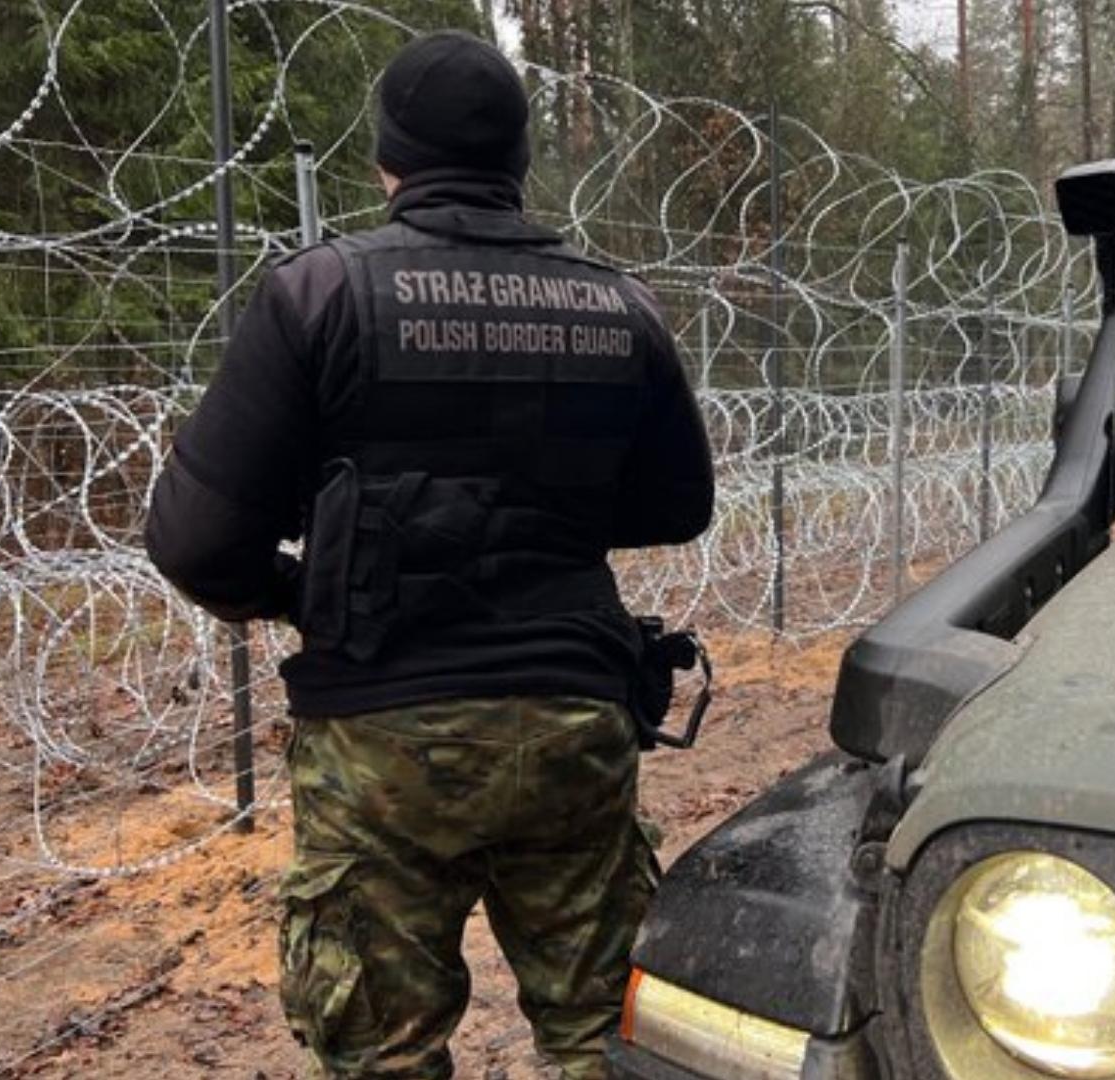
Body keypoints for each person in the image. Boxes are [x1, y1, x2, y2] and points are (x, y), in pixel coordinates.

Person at [144, 29, 714, 1080]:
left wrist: (305, 587)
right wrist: (550, 508)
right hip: (568, 719)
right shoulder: (616, 305)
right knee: (603, 1034)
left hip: (380, 734)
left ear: (386, 161)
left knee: (383, 1054)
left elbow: (195, 540)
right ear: (520, 162)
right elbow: (680, 502)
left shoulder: (319, 296)